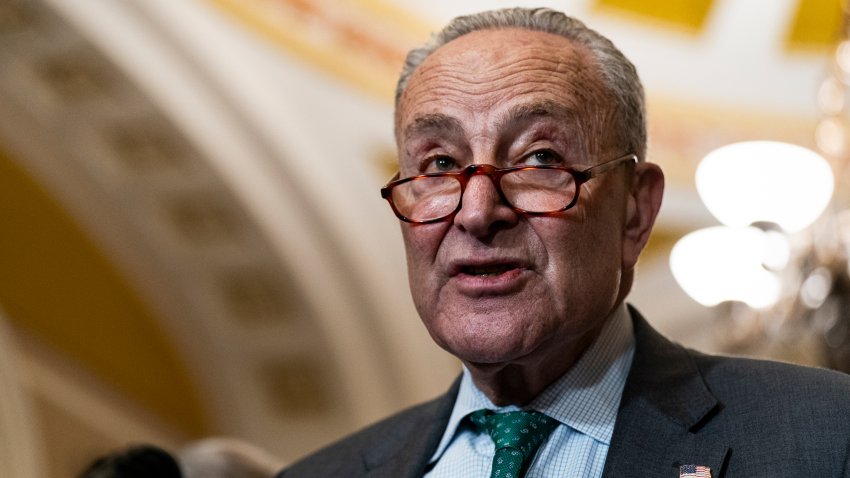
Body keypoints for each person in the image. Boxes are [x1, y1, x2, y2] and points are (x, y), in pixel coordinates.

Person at [277, 7, 850, 478]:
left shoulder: (823, 436)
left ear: (634, 210)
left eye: (539, 159)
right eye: (440, 163)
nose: (477, 213)